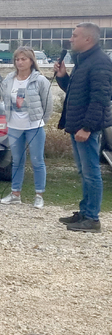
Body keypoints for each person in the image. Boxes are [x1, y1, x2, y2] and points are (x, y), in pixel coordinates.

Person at [54, 23, 112, 232]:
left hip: (86, 127)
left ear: (88, 39)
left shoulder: (100, 63)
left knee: (91, 173)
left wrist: (87, 127)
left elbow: (101, 99)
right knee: (84, 171)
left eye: (75, 35)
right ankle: (85, 212)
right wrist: (62, 77)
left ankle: (93, 219)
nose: (71, 39)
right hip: (76, 124)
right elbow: (75, 92)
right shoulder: (83, 60)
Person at [0, 47, 54, 209]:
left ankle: (39, 195)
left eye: (24, 59)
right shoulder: (9, 79)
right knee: (17, 160)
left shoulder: (40, 80)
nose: (20, 62)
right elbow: (5, 100)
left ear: (31, 61)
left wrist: (41, 120)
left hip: (33, 126)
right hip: (14, 126)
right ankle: (15, 193)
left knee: (37, 160)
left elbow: (47, 103)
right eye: (17, 59)